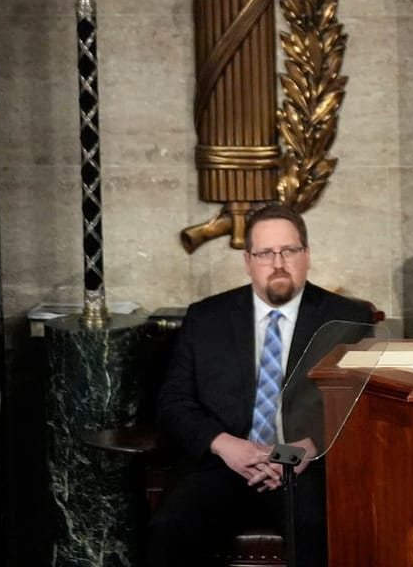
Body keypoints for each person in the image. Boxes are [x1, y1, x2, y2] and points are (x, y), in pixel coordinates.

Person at [148, 205, 374, 567]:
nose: (278, 262)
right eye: (265, 253)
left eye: (290, 250)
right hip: (223, 463)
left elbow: (360, 401)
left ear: (307, 255)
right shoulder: (206, 318)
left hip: (304, 464)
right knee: (171, 526)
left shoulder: (347, 319)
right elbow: (174, 402)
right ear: (248, 260)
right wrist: (225, 445)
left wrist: (313, 444)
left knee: (320, 526)